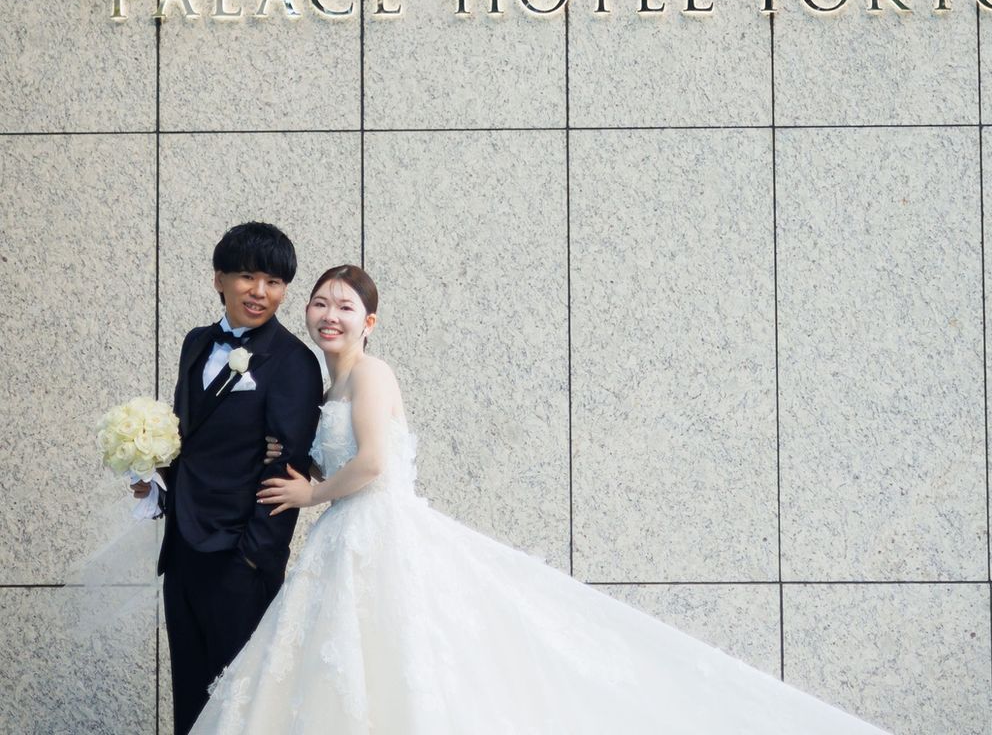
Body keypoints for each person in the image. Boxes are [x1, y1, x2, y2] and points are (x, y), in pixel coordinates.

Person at [191, 264, 889, 735]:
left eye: (345, 306)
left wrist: (313, 491)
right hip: (347, 538)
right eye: (321, 303)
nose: (329, 315)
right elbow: (334, 451)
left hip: (376, 533)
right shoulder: (328, 384)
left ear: (370, 321)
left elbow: (372, 463)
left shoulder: (371, 374)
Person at [149, 222, 324, 735]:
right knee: (191, 700)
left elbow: (287, 468)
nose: (260, 292)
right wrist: (155, 481)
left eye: (274, 282)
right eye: (247, 276)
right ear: (219, 279)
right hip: (182, 551)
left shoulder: (294, 361)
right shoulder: (195, 343)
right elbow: (189, 438)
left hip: (239, 560)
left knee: (240, 707)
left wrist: (253, 558)